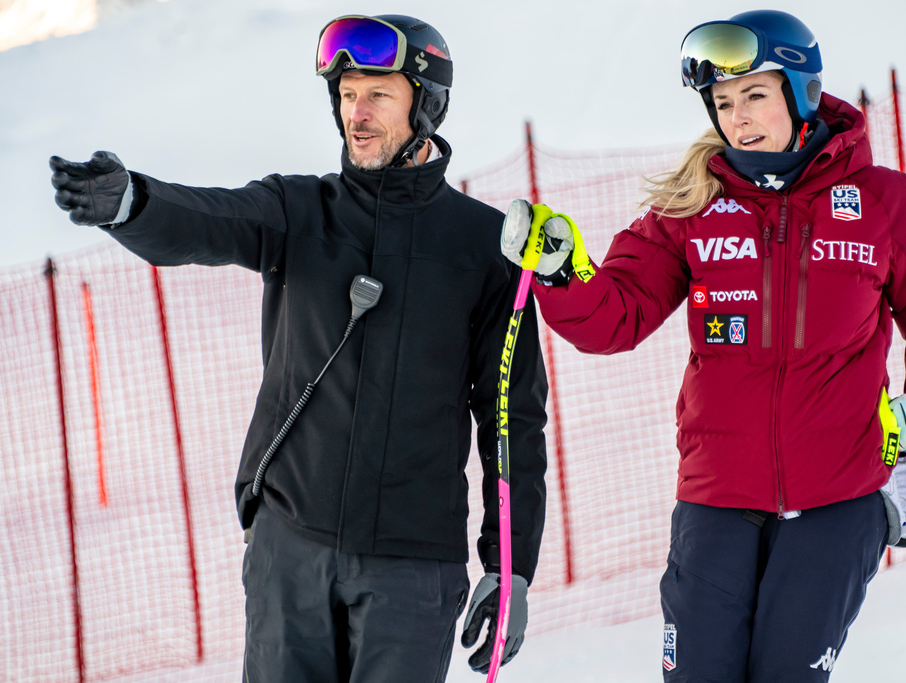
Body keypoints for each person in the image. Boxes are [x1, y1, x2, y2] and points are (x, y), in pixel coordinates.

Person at [50, 14, 548, 682]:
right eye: (347, 94)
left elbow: (512, 420)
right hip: (290, 550)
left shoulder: (486, 251)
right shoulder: (300, 211)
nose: (356, 114)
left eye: (378, 94)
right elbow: (209, 219)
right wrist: (132, 203)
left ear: (427, 106)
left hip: (411, 570)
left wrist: (510, 566)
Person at [500, 9, 906, 682]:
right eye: (724, 103)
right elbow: (616, 317)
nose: (739, 117)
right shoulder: (691, 207)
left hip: (839, 497)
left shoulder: (884, 202)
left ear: (802, 93)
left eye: (755, 94)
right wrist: (561, 274)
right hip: (716, 500)